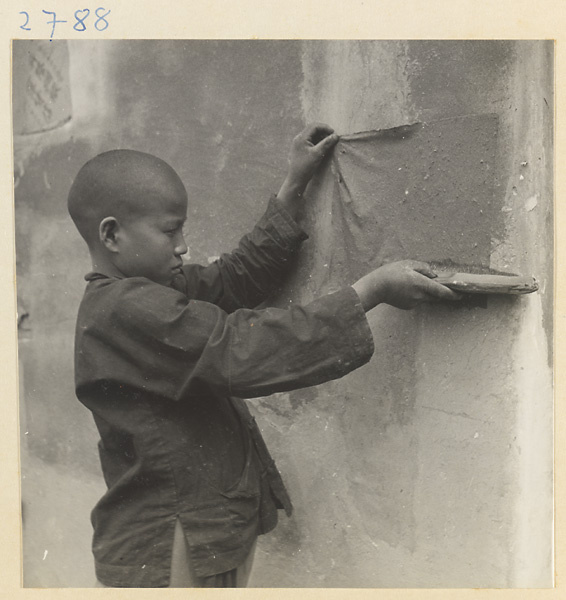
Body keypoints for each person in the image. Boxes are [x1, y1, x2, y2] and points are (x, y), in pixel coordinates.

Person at [67, 123, 460, 588]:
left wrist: (293, 185)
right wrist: (368, 292)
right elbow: (241, 349)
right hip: (174, 537)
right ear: (111, 236)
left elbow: (232, 281)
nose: (183, 246)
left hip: (197, 526)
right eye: (170, 231)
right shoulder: (126, 310)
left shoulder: (148, 293)